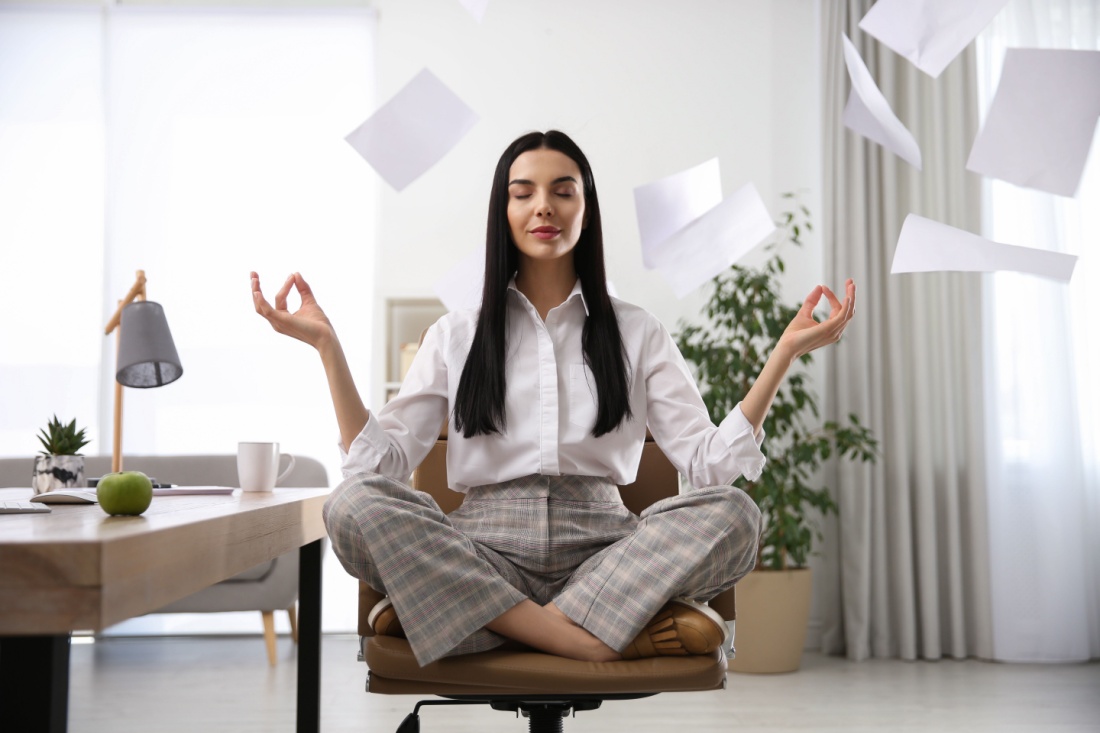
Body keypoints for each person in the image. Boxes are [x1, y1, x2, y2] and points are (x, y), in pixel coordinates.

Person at [251, 130, 855, 668]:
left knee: (736, 517)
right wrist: (328, 348)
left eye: (563, 191)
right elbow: (376, 468)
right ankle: (582, 637)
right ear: (504, 210)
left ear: (586, 210)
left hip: (606, 555)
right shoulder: (456, 333)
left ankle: (477, 624)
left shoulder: (638, 330)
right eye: (524, 192)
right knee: (353, 503)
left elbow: (710, 468)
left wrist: (783, 357)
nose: (544, 205)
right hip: (481, 550)